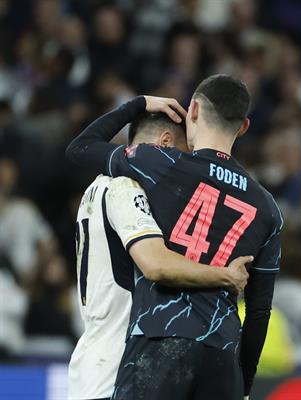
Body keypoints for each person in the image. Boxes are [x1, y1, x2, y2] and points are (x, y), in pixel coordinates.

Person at [66, 74, 283, 400]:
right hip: (223, 355)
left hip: (159, 339)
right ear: (244, 127)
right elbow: (258, 313)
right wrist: (244, 383)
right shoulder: (268, 207)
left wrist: (138, 104)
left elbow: (80, 147)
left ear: (192, 110)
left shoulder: (161, 163)